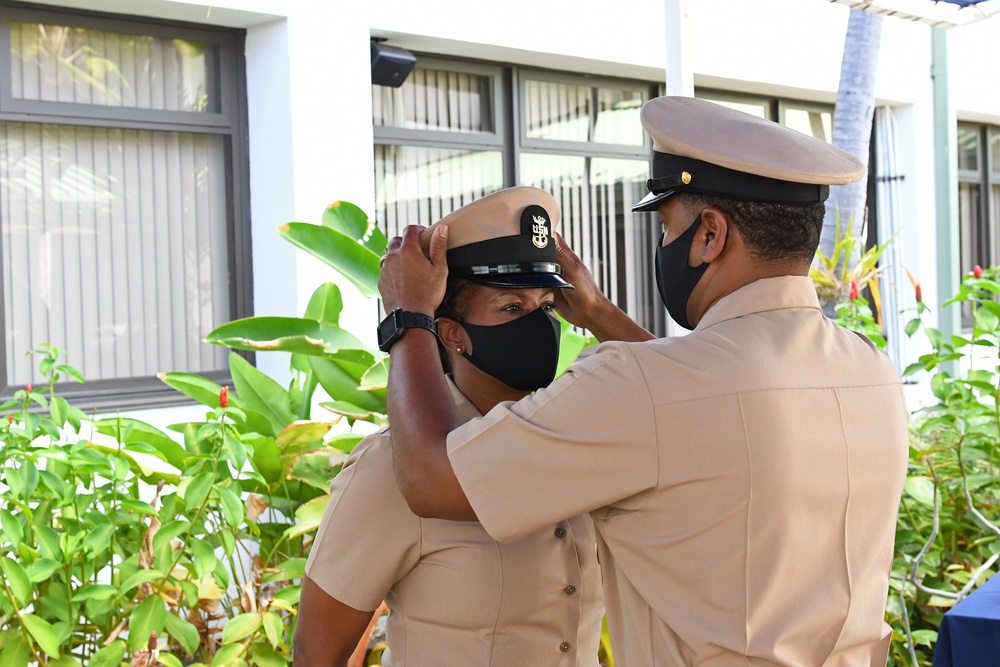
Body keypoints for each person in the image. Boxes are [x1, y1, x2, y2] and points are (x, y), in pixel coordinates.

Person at [377, 96, 909, 666]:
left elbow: (431, 480)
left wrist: (409, 317)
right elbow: (701, 405)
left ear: (709, 235)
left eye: (667, 226)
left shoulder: (641, 387)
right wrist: (600, 313)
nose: (664, 244)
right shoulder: (870, 371)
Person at [295, 186, 603, 667]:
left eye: (545, 306)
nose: (539, 325)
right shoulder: (389, 468)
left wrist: (598, 312)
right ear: (453, 335)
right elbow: (318, 653)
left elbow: (686, 404)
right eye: (511, 307)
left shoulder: (581, 435)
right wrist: (407, 316)